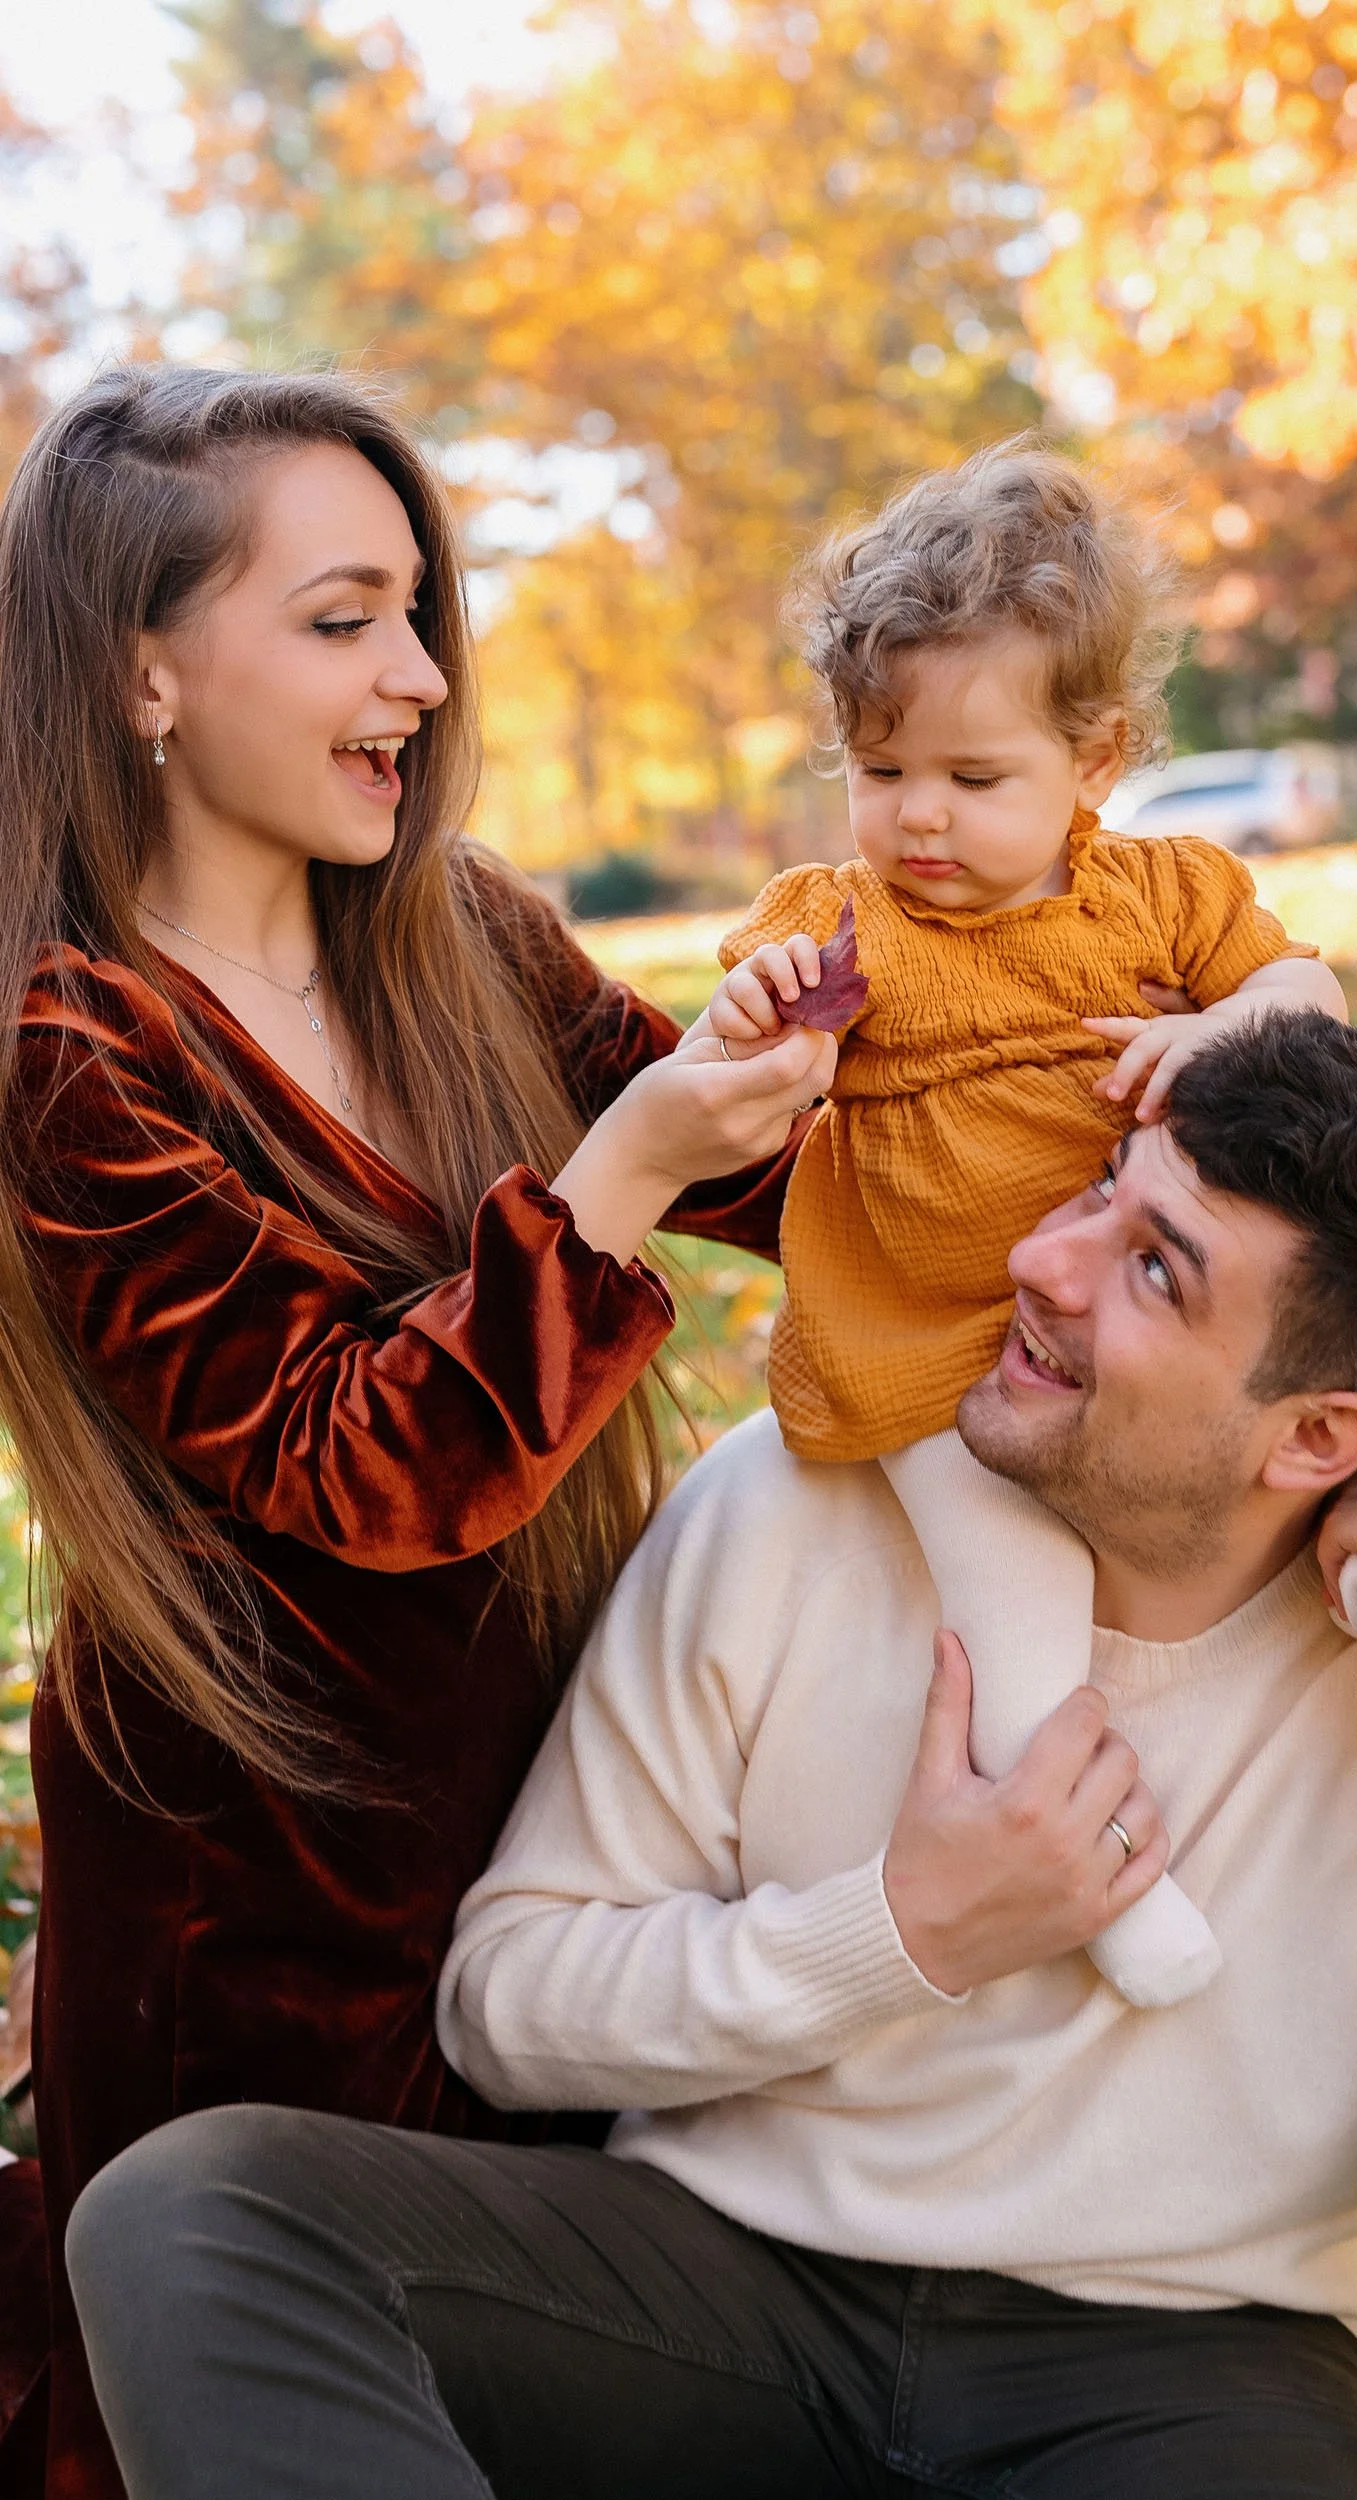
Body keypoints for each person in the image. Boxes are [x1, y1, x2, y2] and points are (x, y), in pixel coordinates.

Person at [63, 1013, 1357, 2498]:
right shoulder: (801, 1487)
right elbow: (510, 2003)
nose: (1042, 1260)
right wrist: (903, 1934)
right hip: (716, 2291)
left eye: (1155, 1271)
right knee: (199, 2214)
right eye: (1102, 1189)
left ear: (1315, 1438)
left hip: (1190, 2360)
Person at [0, 363, 832, 2499]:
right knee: (274, 2382)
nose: (421, 672)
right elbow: (352, 1464)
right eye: (345, 615)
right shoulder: (76, 1047)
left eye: (417, 610)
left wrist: (1158, 1022)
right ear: (143, 668)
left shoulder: (455, 932)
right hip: (257, 1870)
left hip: (557, 1788)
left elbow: (823, 1181)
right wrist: (618, 1174)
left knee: (567, 2356)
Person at [701, 439, 1348, 2005]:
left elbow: (1305, 988)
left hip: (1143, 1320)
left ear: (1096, 757)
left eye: (972, 779)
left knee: (1349, 1387)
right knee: (1014, 1602)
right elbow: (723, 1054)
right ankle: (1099, 1869)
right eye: (877, 768)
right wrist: (752, 1016)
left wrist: (1231, 1027)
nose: (916, 817)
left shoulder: (1162, 896)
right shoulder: (831, 922)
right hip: (935, 1346)